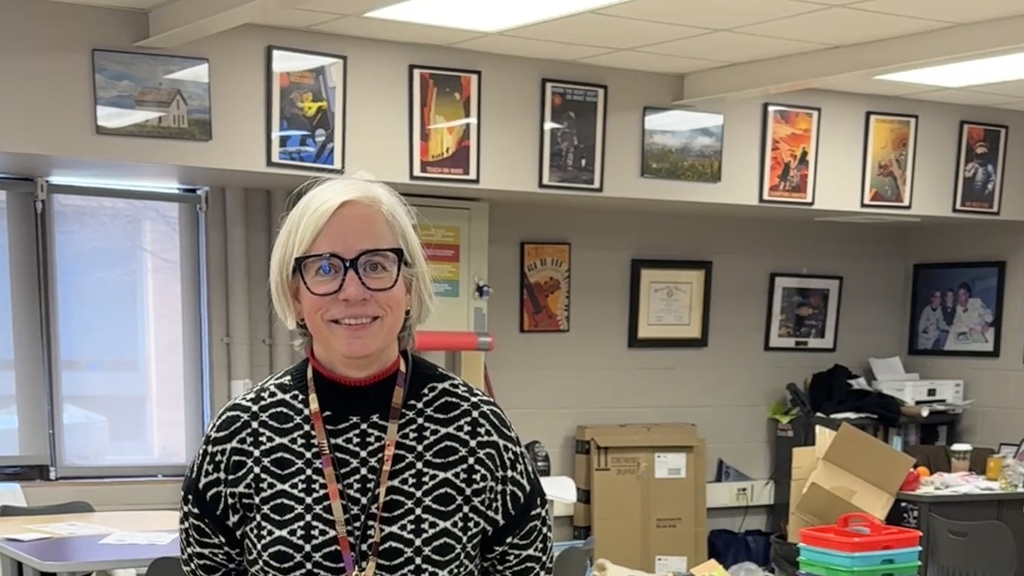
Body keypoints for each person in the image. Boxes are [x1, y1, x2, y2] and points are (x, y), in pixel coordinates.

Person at [179, 177, 553, 576]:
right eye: (325, 268)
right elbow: (205, 566)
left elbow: (526, 567)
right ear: (295, 296)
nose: (353, 291)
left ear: (408, 287)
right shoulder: (241, 432)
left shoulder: (476, 428)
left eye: (375, 265)